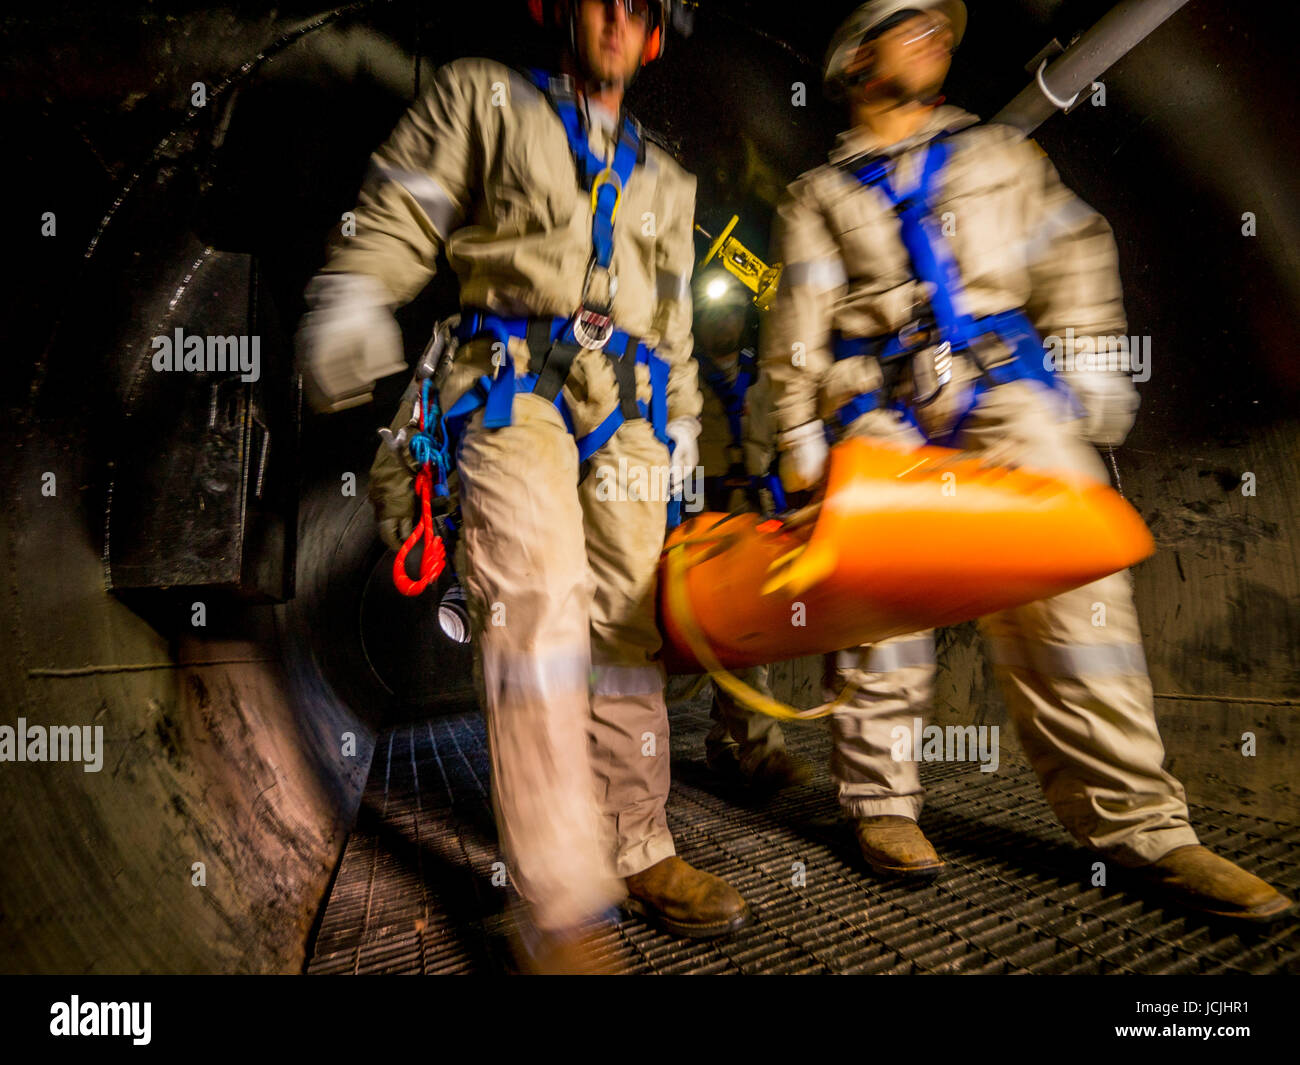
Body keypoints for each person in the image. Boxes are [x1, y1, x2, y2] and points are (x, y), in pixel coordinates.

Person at [762, 0, 1292, 920]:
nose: (935, 30)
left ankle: (1145, 829)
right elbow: (796, 332)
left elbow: (1076, 258)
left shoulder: (1001, 159)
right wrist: (802, 448)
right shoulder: (816, 196)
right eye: (908, 20)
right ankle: (882, 803)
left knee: (1076, 596)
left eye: (940, 21)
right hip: (881, 406)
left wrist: (1090, 390)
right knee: (880, 596)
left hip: (1007, 394)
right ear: (854, 61)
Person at [296, 0, 751, 973]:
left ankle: (640, 847)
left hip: (628, 403)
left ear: (659, 33)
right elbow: (404, 205)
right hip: (509, 384)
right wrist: (356, 294)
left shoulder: (668, 178)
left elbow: (671, 313)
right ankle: (561, 904)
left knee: (629, 626)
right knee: (538, 609)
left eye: (643, 8)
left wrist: (679, 428)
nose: (621, 19)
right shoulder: (483, 98)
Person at [690, 272, 812, 793]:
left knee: (743, 635)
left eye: (734, 311)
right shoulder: (681, 377)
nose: (726, 321)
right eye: (715, 312)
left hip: (754, 514)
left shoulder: (764, 378)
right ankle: (763, 754)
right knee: (731, 634)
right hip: (700, 519)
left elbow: (790, 438)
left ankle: (725, 744)